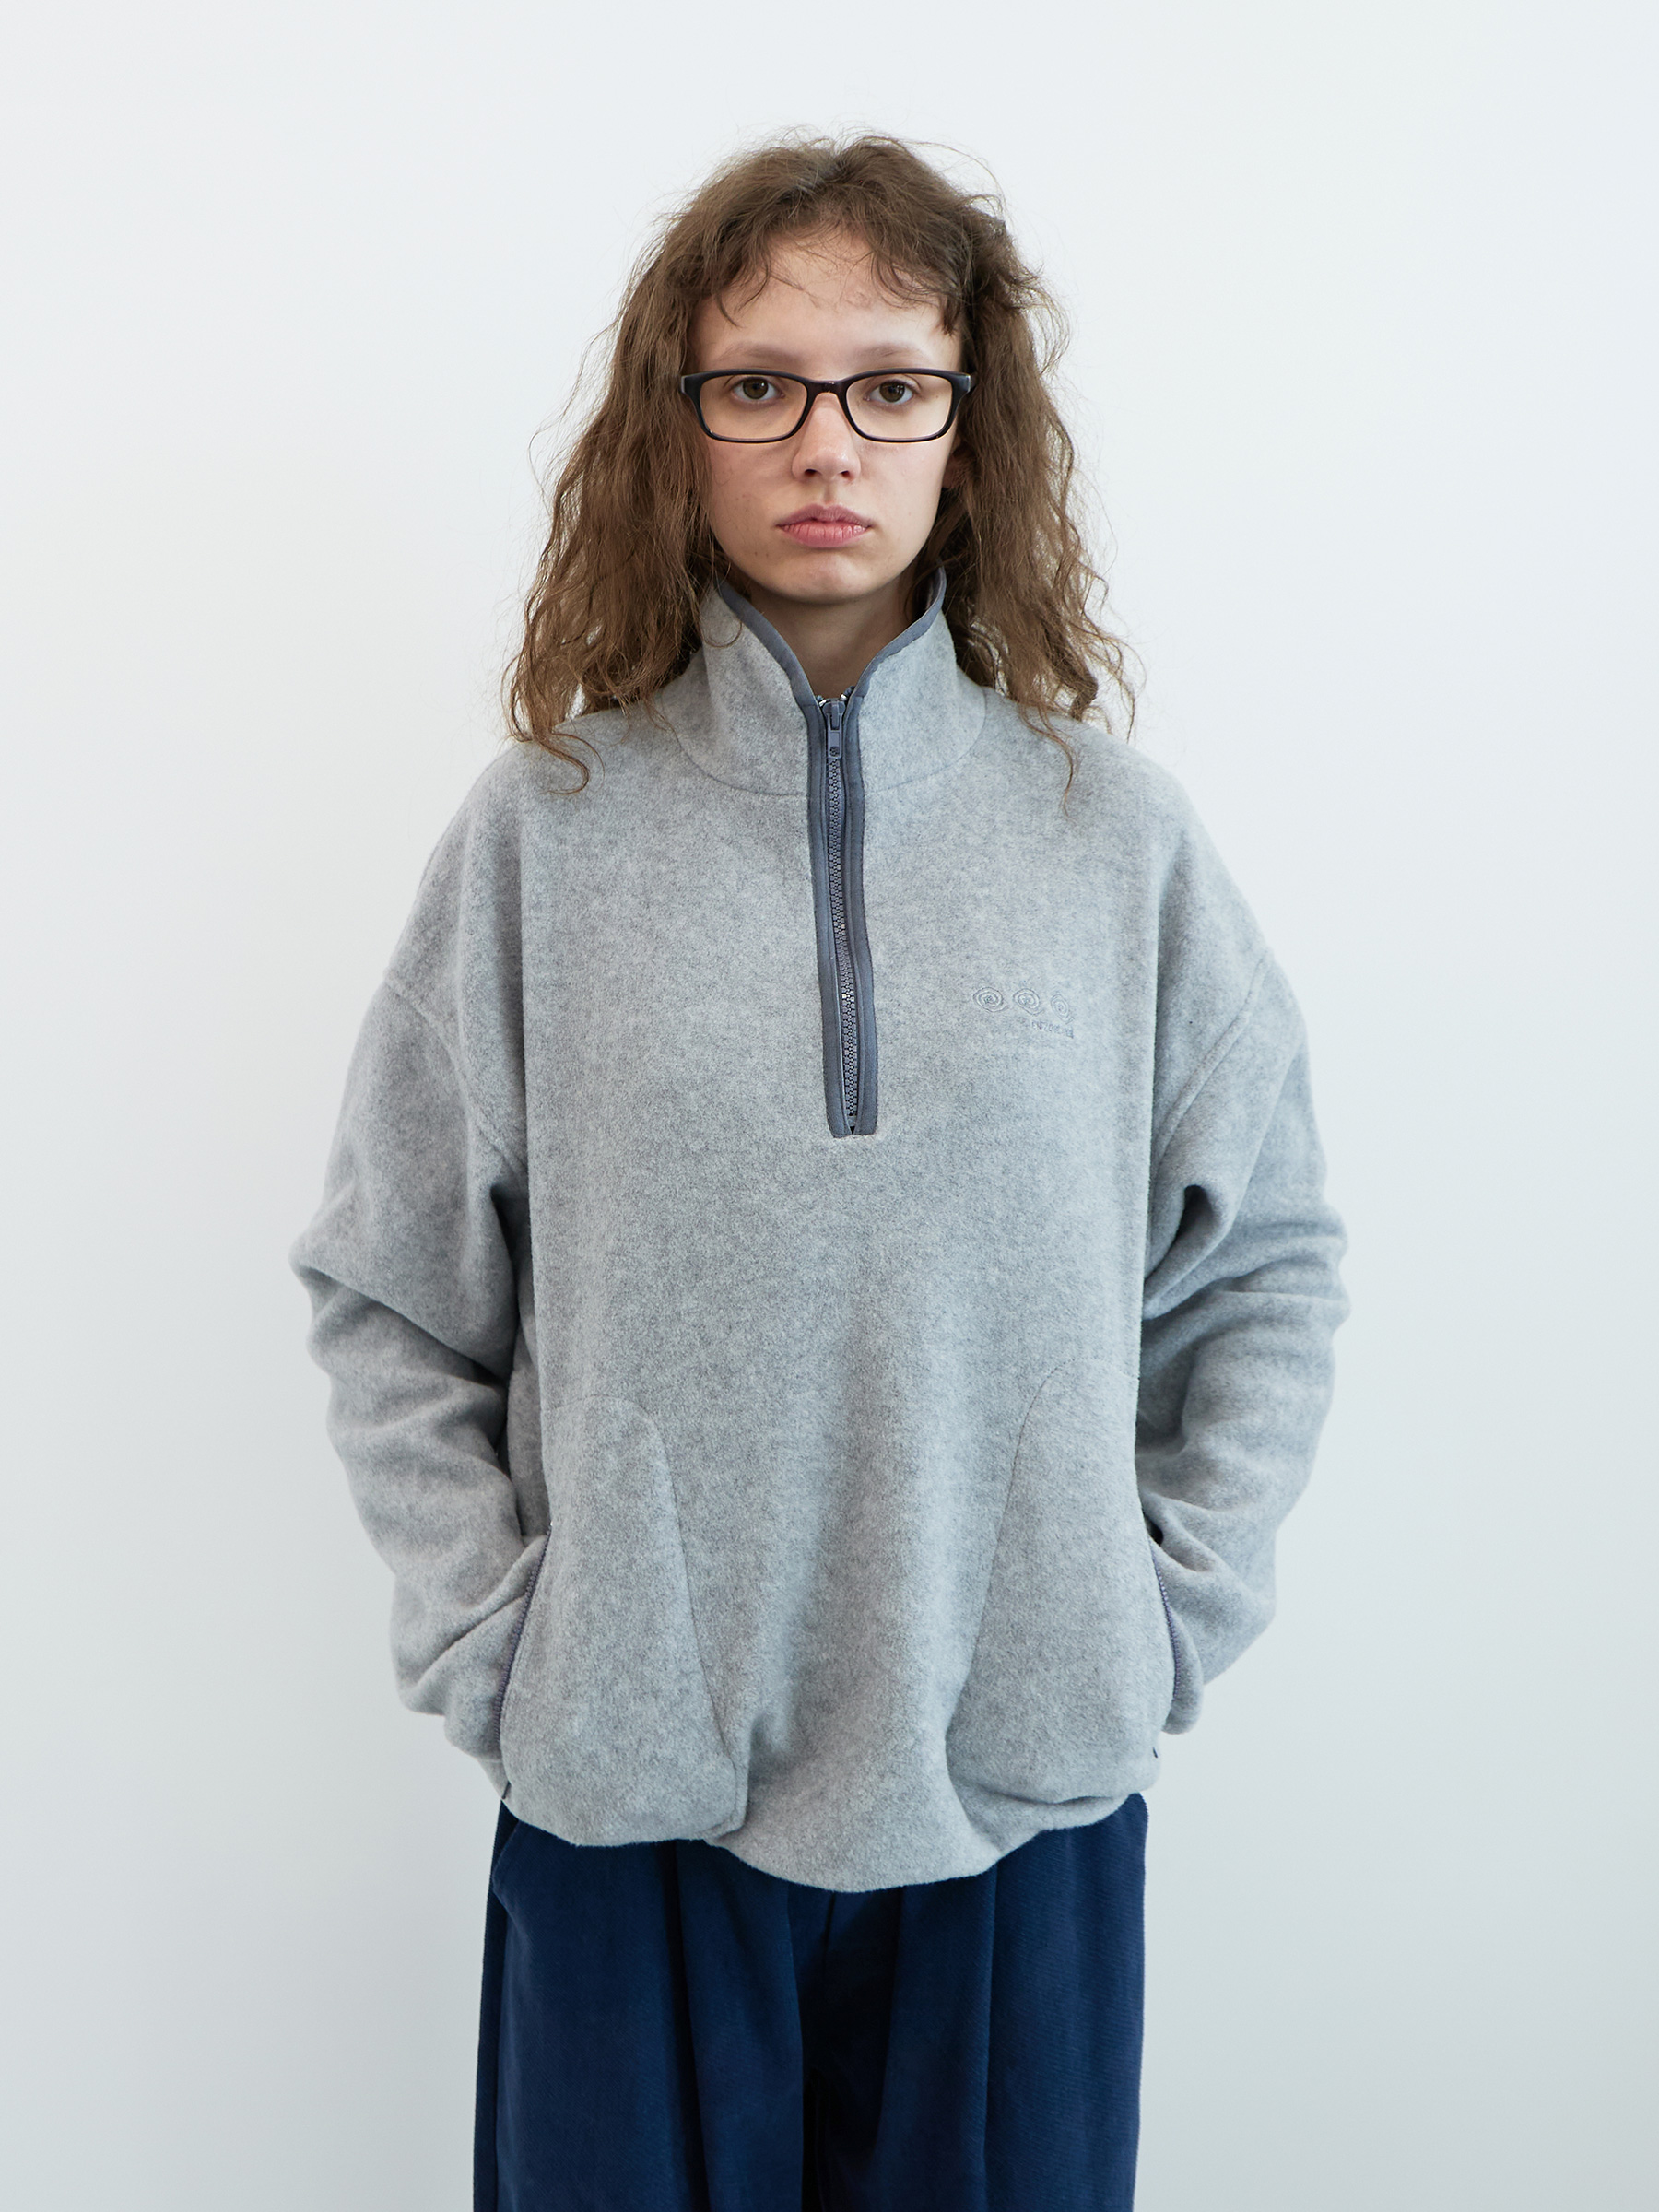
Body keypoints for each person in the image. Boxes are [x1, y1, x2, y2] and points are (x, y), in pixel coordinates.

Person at [291, 132, 1348, 2212]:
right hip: (628, 1811)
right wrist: (502, 1647)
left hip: (1018, 1809)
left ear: (970, 425)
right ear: (674, 424)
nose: (825, 442)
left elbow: (1266, 1269)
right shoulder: (543, 835)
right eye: (758, 383)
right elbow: (391, 1291)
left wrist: (1152, 1621)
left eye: (890, 384)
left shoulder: (1113, 841)